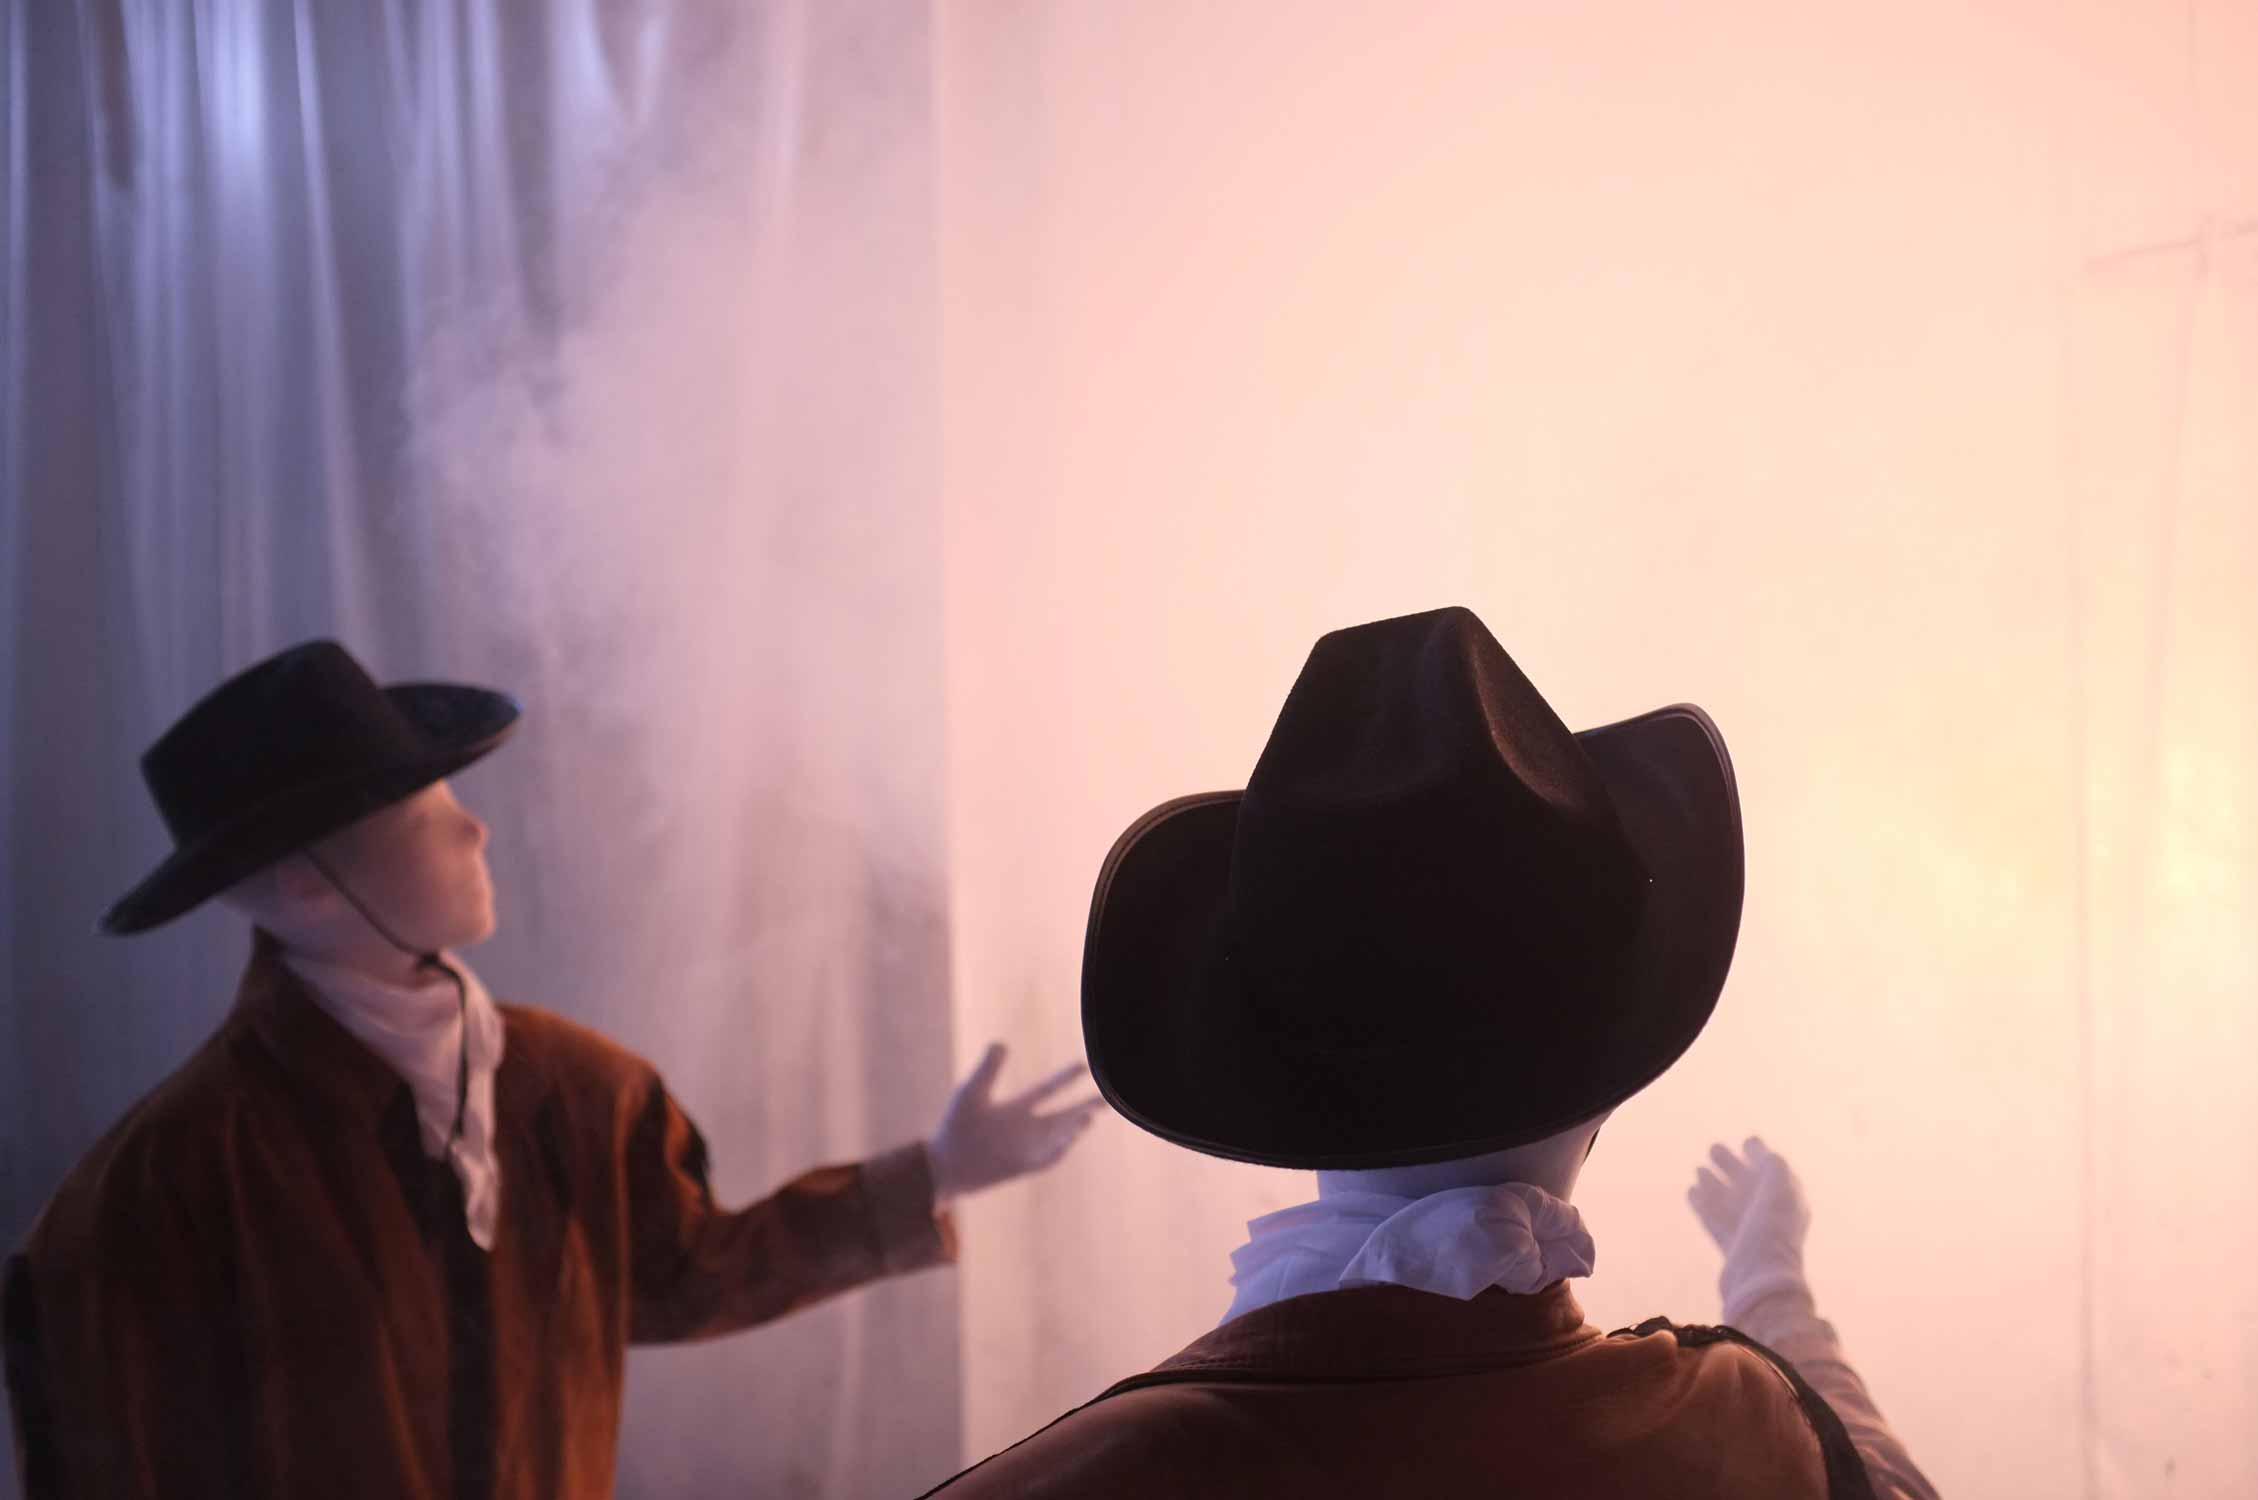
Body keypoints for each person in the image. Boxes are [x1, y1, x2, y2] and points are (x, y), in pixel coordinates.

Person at [2, 640, 1101, 1499]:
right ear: (304, 887)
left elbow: (687, 1274)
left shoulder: (576, 1091)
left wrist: (937, 1170)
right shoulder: (164, 1185)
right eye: (428, 816)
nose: (476, 833)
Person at [922, 606, 1936, 1498]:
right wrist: (1768, 1280)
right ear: (1613, 1078)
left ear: (1264, 1072)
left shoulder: (1096, 1474)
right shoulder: (1745, 1433)